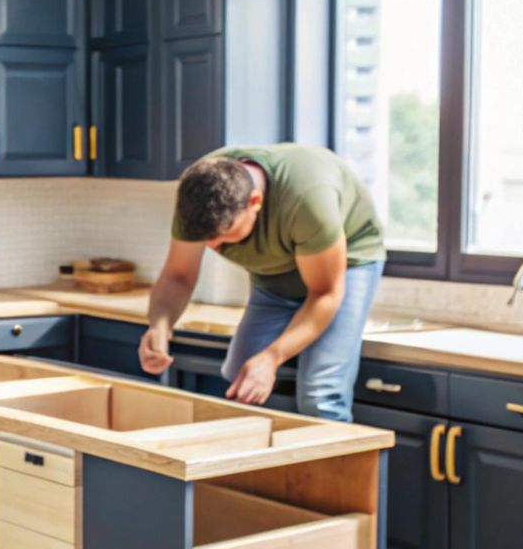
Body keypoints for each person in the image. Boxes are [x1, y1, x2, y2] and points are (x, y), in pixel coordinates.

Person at [139, 144, 386, 422]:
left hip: (347, 264)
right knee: (239, 379)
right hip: (273, 273)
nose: (211, 246)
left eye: (224, 235)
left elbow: (324, 294)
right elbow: (178, 276)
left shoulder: (308, 200)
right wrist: (159, 326)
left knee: (320, 394)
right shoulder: (196, 195)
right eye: (204, 238)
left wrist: (272, 357)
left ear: (255, 202)